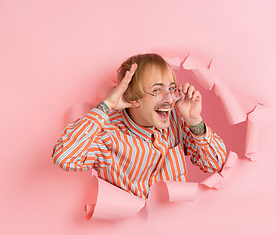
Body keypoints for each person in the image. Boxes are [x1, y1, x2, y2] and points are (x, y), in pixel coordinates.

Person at [52, 53, 226, 200]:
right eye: (158, 91)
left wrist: (194, 120)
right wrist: (107, 106)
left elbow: (215, 164)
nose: (170, 99)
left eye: (172, 89)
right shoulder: (107, 135)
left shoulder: (177, 121)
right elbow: (64, 157)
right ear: (133, 98)